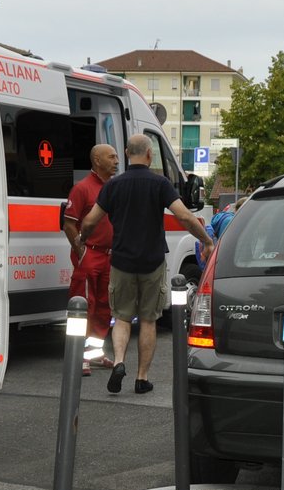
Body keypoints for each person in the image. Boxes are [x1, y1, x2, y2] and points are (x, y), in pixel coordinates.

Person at [76, 134, 213, 395]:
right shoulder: (159, 184)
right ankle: (142, 378)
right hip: (152, 262)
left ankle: (118, 362)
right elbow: (183, 215)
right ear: (150, 155)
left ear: (127, 153)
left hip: (121, 261)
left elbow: (91, 220)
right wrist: (206, 240)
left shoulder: (113, 186)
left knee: (122, 317)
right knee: (148, 320)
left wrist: (82, 238)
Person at [63, 143, 119, 376]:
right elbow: (69, 224)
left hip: (108, 255)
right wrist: (81, 250)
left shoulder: (114, 187)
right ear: (97, 160)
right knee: (86, 305)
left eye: (117, 157)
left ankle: (94, 353)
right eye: (111, 156)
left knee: (105, 306)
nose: (117, 160)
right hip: (91, 254)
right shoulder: (82, 188)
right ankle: (78, 355)